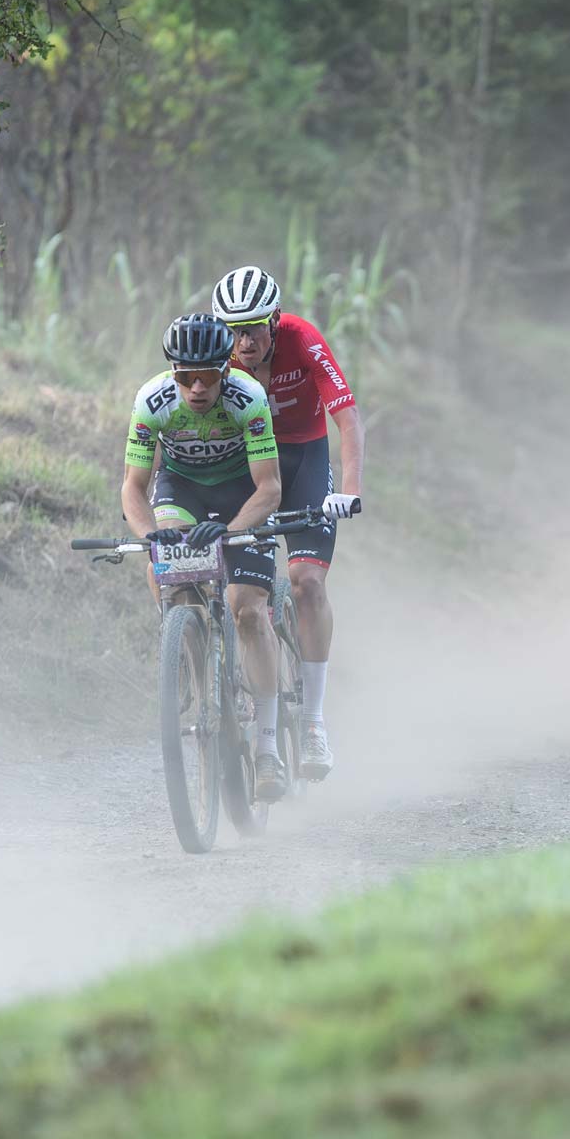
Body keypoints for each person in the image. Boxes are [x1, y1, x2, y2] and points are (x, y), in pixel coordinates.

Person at [121, 312, 291, 801]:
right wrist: (151, 536)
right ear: (172, 372)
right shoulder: (152, 401)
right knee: (166, 567)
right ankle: (185, 650)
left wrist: (232, 530)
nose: (196, 388)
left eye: (207, 377)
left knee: (247, 610)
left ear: (225, 370)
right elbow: (133, 489)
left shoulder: (247, 398)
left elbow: (270, 488)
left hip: (243, 491)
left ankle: (267, 748)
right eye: (185, 377)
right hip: (183, 489)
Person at [211, 265, 363, 781]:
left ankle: (314, 720)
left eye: (254, 327)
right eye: (234, 331)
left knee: (306, 582)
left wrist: (349, 491)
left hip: (303, 461)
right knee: (245, 604)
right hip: (249, 469)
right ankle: (257, 721)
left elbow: (347, 418)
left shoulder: (303, 339)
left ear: (275, 319)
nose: (244, 342)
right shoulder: (218, 354)